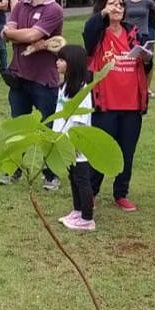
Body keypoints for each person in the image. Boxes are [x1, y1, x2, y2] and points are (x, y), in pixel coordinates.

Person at [82, 0, 149, 212]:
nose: (118, 7)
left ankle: (121, 193)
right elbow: (88, 32)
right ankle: (91, 192)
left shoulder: (133, 32)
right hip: (106, 103)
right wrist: (102, 14)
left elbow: (145, 63)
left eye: (120, 4)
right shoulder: (97, 34)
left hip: (131, 103)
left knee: (127, 150)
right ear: (103, 8)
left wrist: (147, 59)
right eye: (112, 4)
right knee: (102, 150)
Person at [1, 0, 66, 190]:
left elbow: (31, 35)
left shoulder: (54, 9)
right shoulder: (20, 5)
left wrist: (14, 34)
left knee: (48, 127)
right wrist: (15, 34)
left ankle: (51, 174)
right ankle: (13, 169)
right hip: (19, 77)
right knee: (18, 126)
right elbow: (7, 31)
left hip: (44, 80)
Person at [53, 44, 96, 230]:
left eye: (62, 60)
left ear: (72, 64)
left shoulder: (81, 90)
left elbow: (79, 119)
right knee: (72, 177)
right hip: (64, 140)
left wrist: (74, 143)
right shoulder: (64, 87)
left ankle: (87, 218)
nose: (57, 63)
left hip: (77, 142)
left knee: (81, 178)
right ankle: (77, 210)